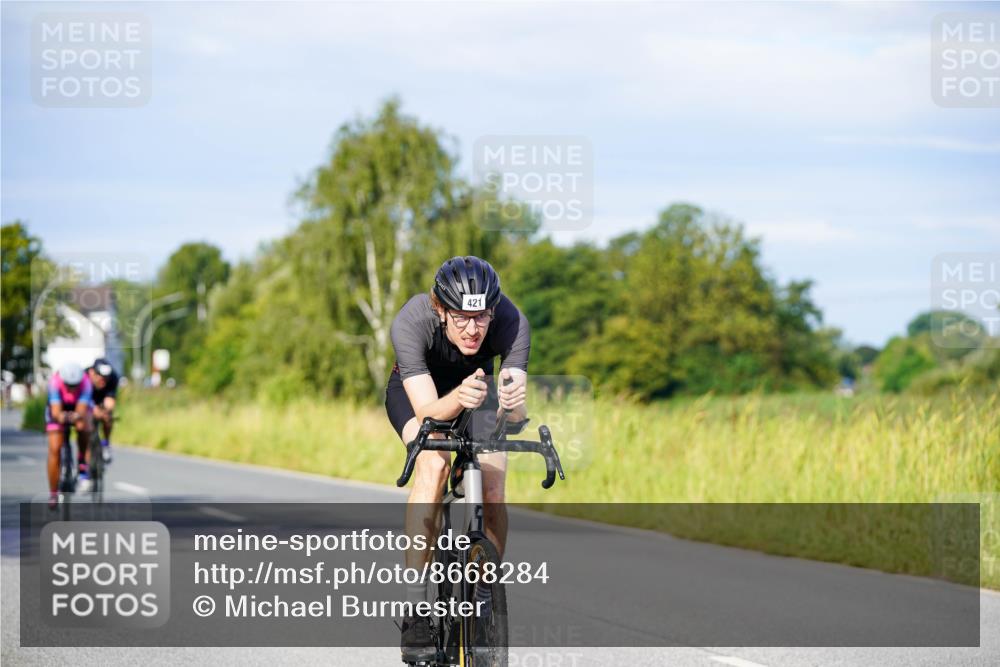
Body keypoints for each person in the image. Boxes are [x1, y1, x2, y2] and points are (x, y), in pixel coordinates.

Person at [385, 256, 529, 662]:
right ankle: (416, 612)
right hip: (421, 395)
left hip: (480, 393)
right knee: (434, 464)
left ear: (492, 310)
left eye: (481, 317)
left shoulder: (511, 321)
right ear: (440, 309)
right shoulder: (411, 321)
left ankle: (484, 593)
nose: (472, 328)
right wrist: (456, 401)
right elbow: (427, 411)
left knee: (494, 484)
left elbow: (514, 409)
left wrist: (512, 408)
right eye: (462, 317)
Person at [45, 361, 94, 507]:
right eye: (69, 385)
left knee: (84, 427)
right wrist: (62, 417)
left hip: (78, 405)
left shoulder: (86, 383)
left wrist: (77, 417)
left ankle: (82, 465)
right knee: (54, 448)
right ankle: (53, 493)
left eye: (75, 385)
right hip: (58, 406)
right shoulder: (54, 382)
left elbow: (82, 409)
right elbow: (55, 412)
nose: (72, 388)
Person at [87, 358, 119, 464]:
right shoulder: (84, 378)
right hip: (87, 398)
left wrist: (105, 412)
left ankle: (106, 444)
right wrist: (93, 410)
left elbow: (110, 400)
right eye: (100, 377)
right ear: (92, 373)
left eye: (106, 378)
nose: (103, 380)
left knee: (108, 417)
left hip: (103, 398)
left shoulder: (113, 378)